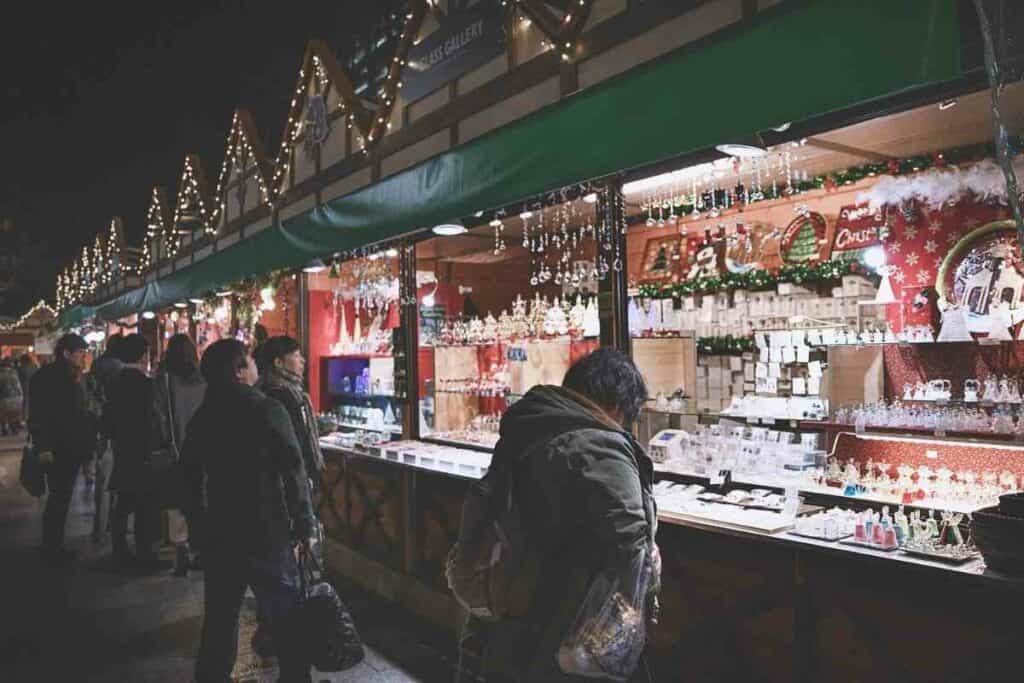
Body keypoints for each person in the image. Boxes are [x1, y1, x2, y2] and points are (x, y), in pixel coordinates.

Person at [467, 348, 659, 683]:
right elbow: (630, 543)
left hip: (514, 603)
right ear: (615, 404)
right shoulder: (598, 445)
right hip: (570, 620)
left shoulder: (534, 426)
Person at [183, 339, 315, 683]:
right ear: (239, 371)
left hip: (220, 531)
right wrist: (304, 523)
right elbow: (293, 469)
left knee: (220, 618)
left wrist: (197, 527)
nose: (256, 367)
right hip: (266, 530)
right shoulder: (266, 409)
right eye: (250, 362)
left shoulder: (203, 417)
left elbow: (188, 479)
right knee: (285, 615)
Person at [252, 335, 325, 656]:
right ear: (279, 363)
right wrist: (307, 489)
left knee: (278, 571)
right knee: (290, 570)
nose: (303, 360)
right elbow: (297, 453)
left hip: (269, 495)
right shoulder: (286, 397)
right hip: (289, 493)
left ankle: (270, 631)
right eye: (297, 355)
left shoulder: (264, 393)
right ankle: (289, 645)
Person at [29, 333, 97, 566]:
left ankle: (53, 543)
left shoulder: (74, 377)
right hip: (60, 447)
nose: (83, 357)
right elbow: (39, 415)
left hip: (69, 446)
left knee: (60, 497)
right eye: (79, 353)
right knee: (59, 497)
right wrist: (43, 446)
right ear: (66, 353)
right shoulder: (54, 378)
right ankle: (52, 546)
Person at [106, 333, 165, 572]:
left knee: (124, 502)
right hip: (143, 451)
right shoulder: (146, 385)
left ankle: (119, 549)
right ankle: (145, 553)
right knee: (144, 505)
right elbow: (154, 420)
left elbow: (108, 418)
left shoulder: (115, 382)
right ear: (144, 356)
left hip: (122, 449)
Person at [152, 333, 207, 576]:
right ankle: (201, 549)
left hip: (176, 452)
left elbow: (160, 418)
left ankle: (181, 549)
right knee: (200, 500)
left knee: (176, 502)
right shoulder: (205, 380)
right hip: (202, 451)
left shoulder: (163, 382)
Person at [87, 334, 125, 544]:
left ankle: (99, 530)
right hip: (116, 431)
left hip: (100, 429)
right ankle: (110, 526)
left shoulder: (97, 364)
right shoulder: (120, 368)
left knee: (103, 484)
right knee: (115, 483)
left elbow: (91, 395)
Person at [0, 358, 24, 435]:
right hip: (17, 398)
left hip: (3, 398)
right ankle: (14, 428)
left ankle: (5, 428)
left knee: (3, 414)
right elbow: (18, 386)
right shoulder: (14, 373)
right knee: (13, 414)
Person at [17, 352, 38, 425]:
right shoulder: (35, 367)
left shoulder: (20, 368)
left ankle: (24, 419)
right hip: (34, 387)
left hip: (23, 386)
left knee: (24, 403)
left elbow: (18, 378)